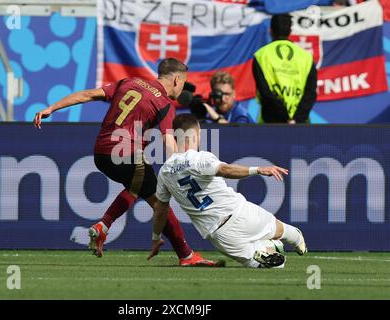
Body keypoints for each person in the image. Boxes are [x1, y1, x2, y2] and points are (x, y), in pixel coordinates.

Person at [34, 58, 223, 267]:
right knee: (159, 202)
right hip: (126, 154)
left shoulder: (128, 82)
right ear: (177, 79)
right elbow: (168, 141)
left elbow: (88, 94)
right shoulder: (164, 104)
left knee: (138, 189)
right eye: (183, 82)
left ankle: (103, 227)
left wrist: (52, 108)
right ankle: (185, 255)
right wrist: (181, 164)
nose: (181, 90)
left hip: (101, 152)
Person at [148, 114, 307, 268]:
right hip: (241, 213)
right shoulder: (200, 158)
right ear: (196, 135)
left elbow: (161, 209)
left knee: (275, 266)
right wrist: (257, 169)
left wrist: (156, 238)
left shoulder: (165, 172)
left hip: (220, 234)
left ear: (175, 138)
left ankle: (266, 248)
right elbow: (224, 169)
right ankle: (275, 243)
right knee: (285, 232)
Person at [253, 14, 317, 124]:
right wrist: (295, 119)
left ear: (270, 31)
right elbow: (310, 93)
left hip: (271, 122)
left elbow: (265, 92)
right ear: (290, 31)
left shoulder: (261, 56)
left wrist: (285, 117)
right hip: (300, 123)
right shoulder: (306, 57)